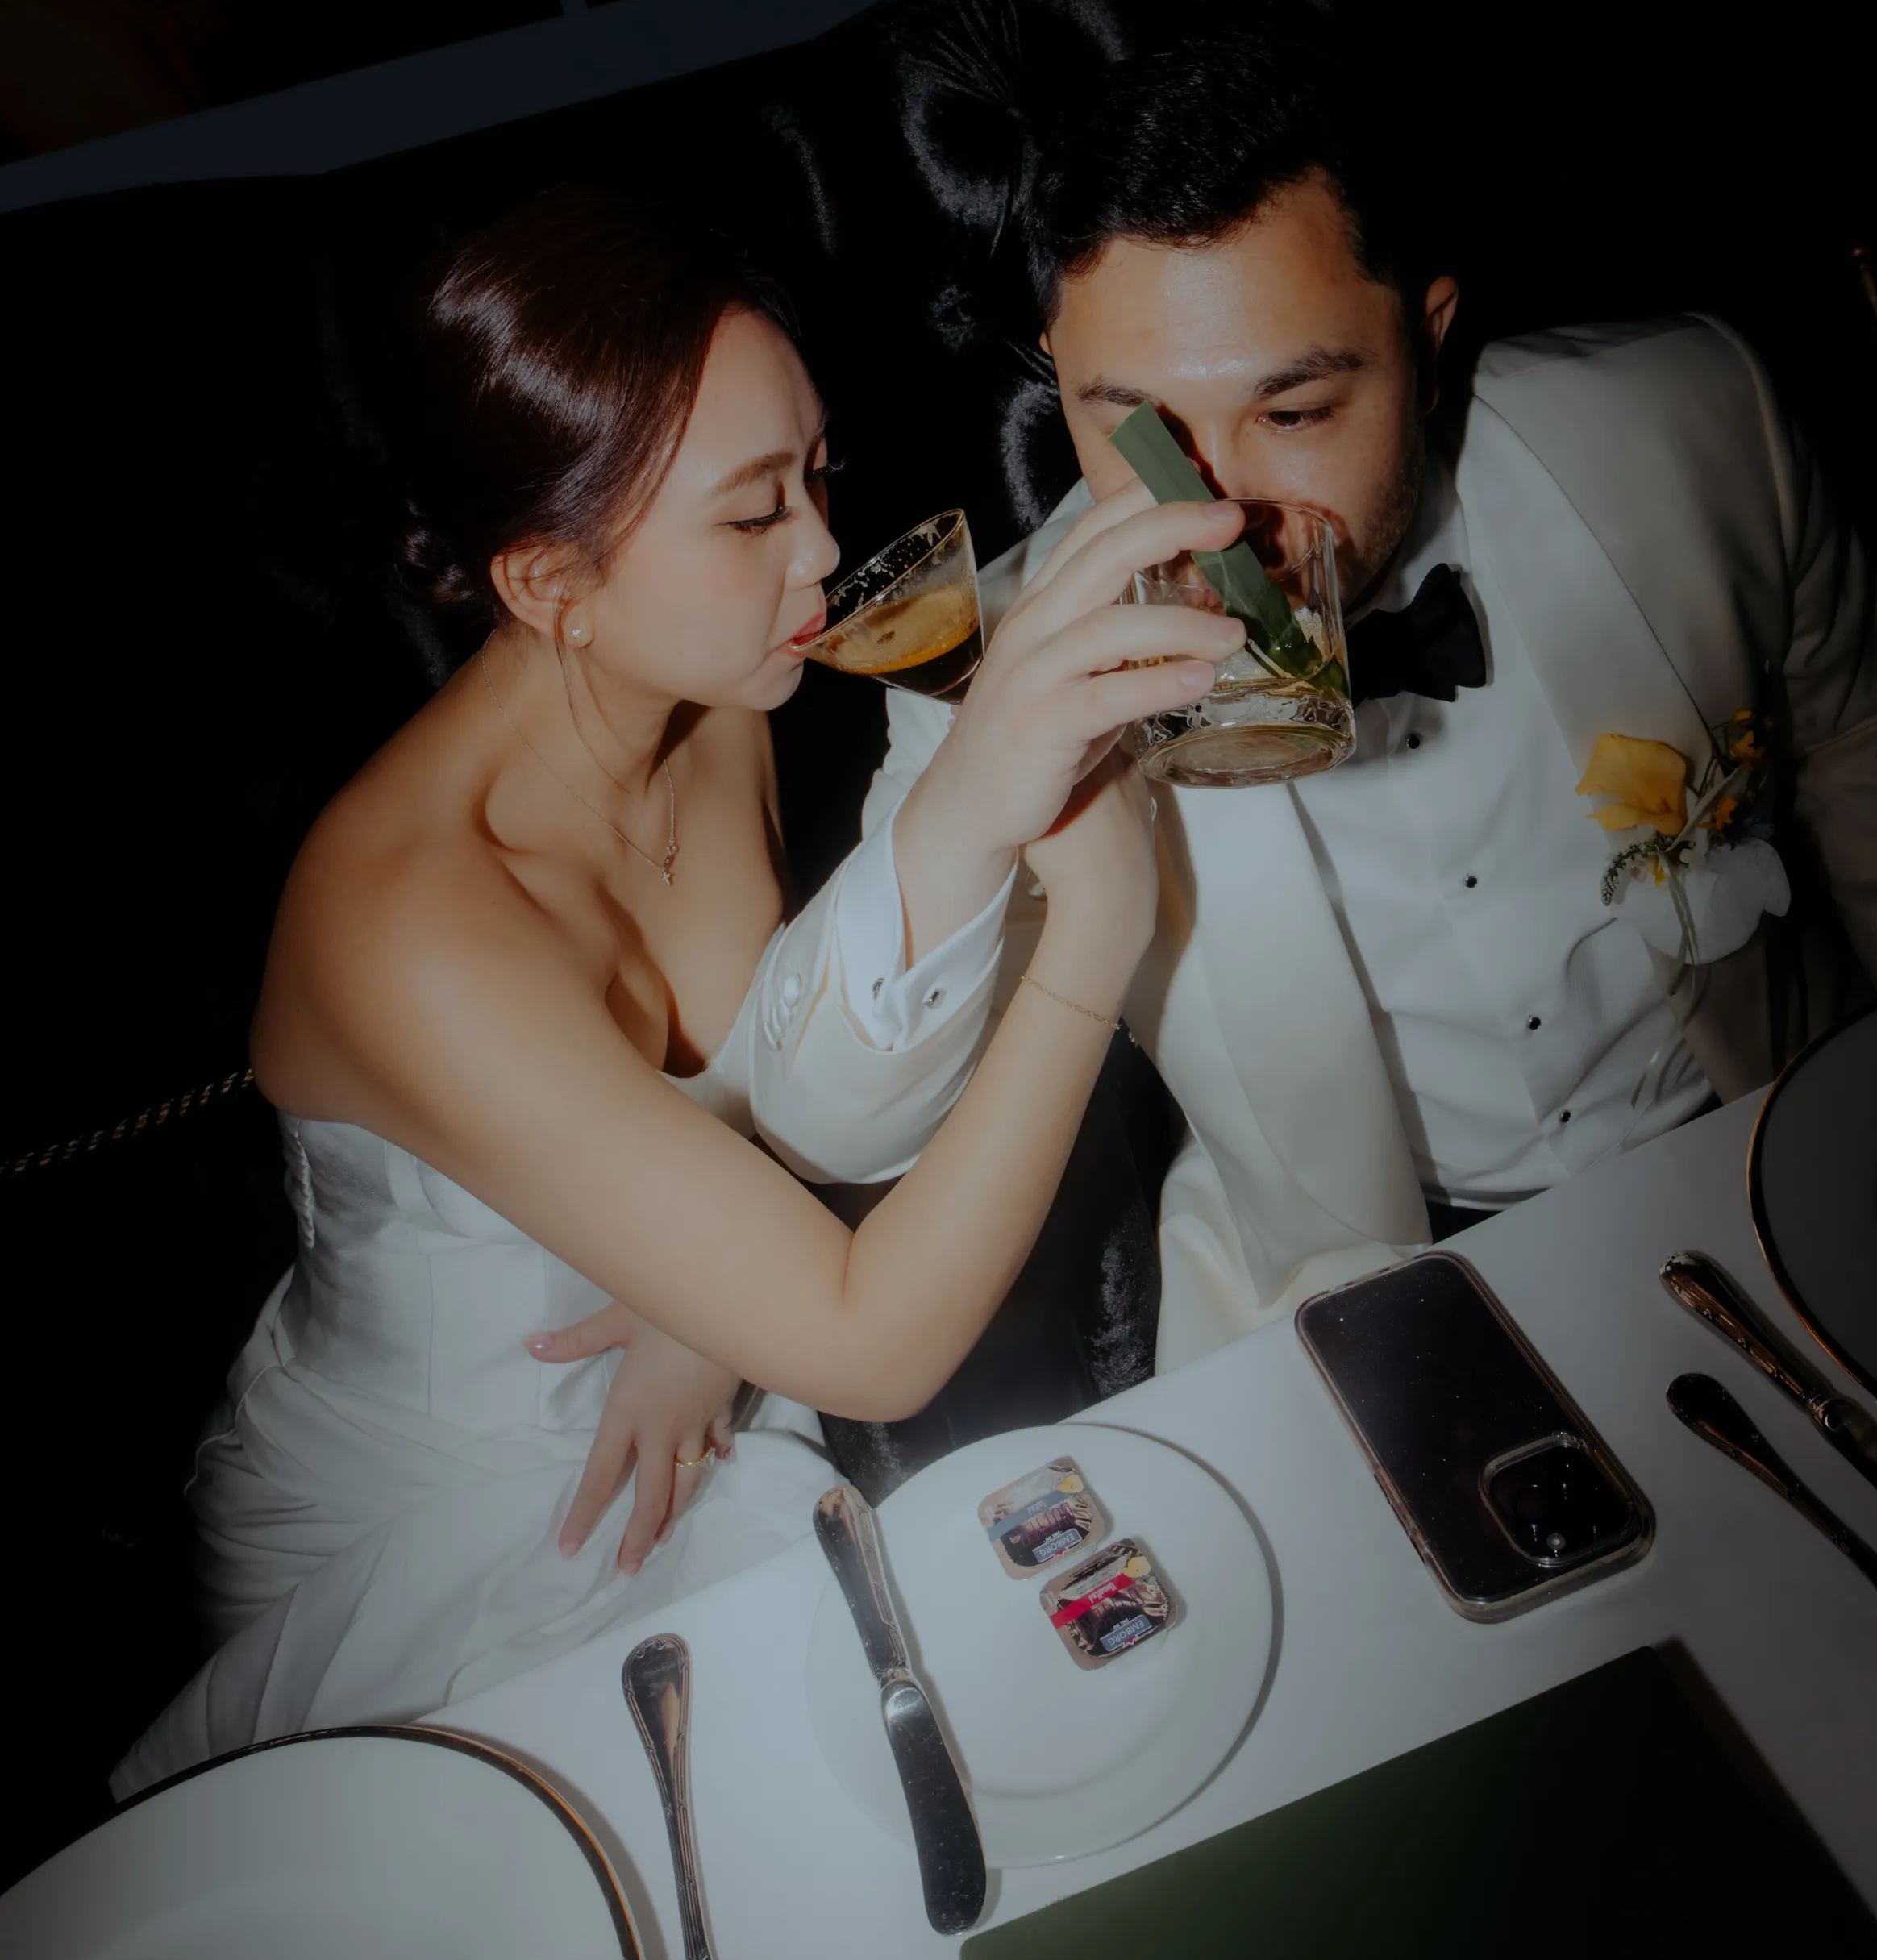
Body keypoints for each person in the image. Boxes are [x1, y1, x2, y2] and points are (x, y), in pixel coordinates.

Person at [111, 188, 1246, 1793]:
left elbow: (779, 1085)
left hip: (711, 1348)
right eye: (752, 513)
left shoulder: (714, 705)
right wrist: (1095, 926)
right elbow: (871, 1347)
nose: (826, 549)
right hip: (442, 1513)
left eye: (816, 473)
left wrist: (693, 1297)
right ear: (547, 583)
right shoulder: (409, 922)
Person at [843, 28, 1877, 1367]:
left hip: (1772, 1143)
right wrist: (971, 811)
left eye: (1294, 412)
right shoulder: (990, 667)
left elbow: (1873, 747)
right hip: (1357, 1293)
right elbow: (850, 1122)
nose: (1216, 518)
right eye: (1133, 427)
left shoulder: (1698, 420)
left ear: (1427, 338)